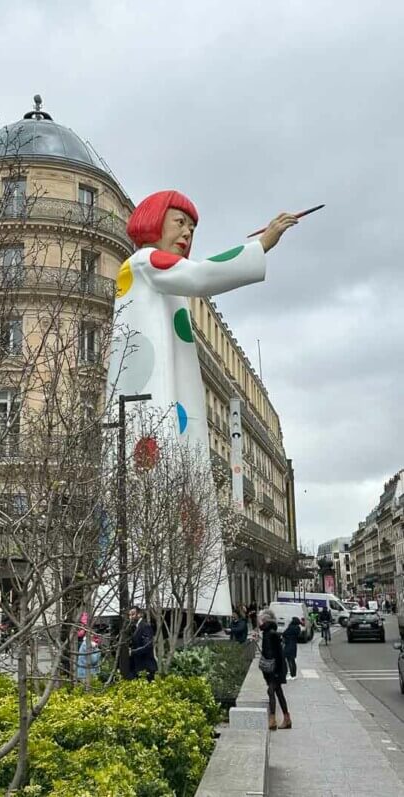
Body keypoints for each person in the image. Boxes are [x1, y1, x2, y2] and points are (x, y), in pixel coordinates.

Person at [107, 192, 298, 614]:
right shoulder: (144, 262)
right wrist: (262, 243)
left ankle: (184, 599)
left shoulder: (154, 277)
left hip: (162, 405)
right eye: (179, 222)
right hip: (149, 406)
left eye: (191, 227)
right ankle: (155, 597)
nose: (188, 232)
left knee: (179, 497)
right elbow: (202, 275)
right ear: (155, 222)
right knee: (157, 491)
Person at [259, 608, 291, 730]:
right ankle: (286, 718)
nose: (259, 622)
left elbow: (277, 654)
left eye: (260, 620)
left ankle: (272, 720)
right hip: (273, 669)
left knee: (271, 691)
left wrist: (278, 672)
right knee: (278, 692)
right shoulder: (268, 633)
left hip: (274, 669)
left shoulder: (271, 634)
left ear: (265, 620)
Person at [128, 606, 157, 681]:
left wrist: (133, 652)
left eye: (133, 614)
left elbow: (148, 646)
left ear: (140, 614)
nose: (131, 617)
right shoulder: (135, 627)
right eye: (129, 615)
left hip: (146, 666)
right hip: (138, 666)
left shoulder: (145, 626)